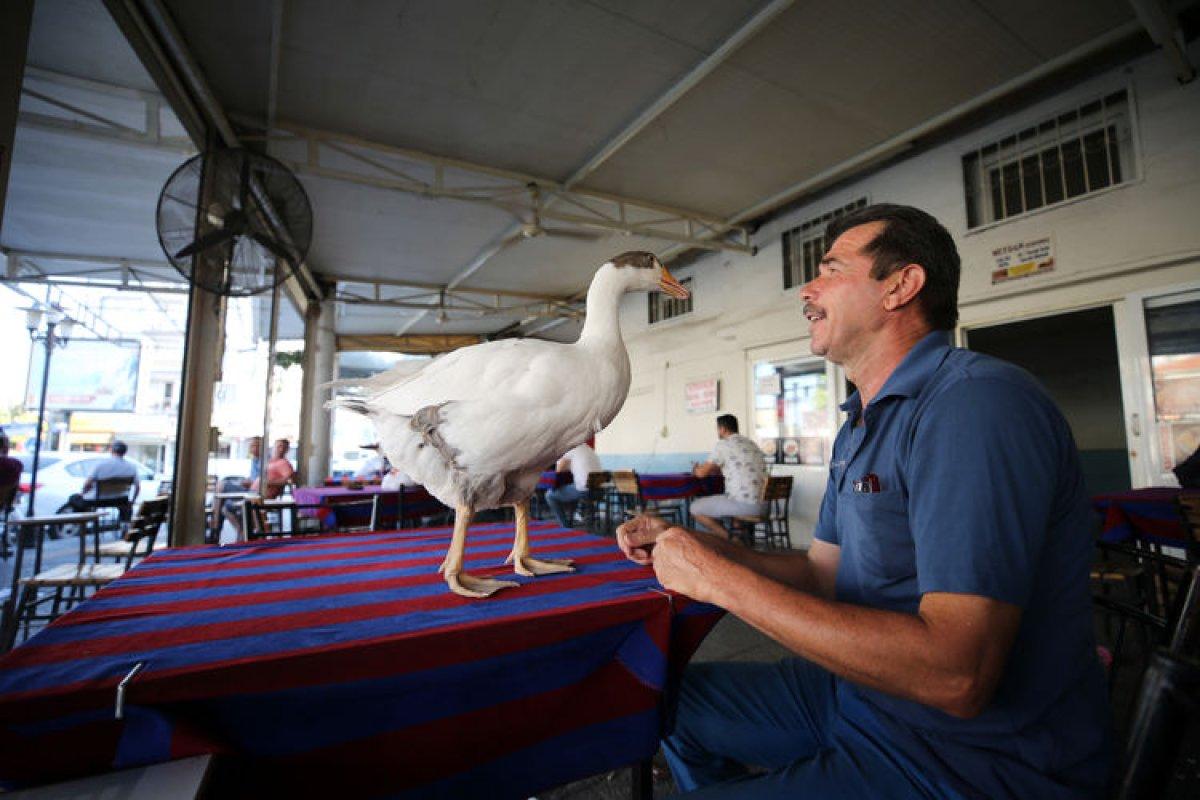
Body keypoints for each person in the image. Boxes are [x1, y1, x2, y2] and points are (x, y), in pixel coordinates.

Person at [617, 204, 1111, 798]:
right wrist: (706, 552)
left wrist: (719, 584)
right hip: (857, 698)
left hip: (966, 758)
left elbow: (958, 675)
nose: (809, 287)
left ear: (901, 286)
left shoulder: (973, 406)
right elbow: (820, 573)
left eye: (831, 269)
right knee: (653, 701)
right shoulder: (860, 422)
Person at [689, 414, 767, 538]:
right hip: (764, 505)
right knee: (731, 501)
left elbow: (701, 473)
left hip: (744, 505)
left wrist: (695, 469)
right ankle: (740, 541)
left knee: (694, 508)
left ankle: (731, 539)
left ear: (723, 429)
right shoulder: (752, 444)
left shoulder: (723, 445)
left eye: (717, 428)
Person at [545, 443, 602, 528]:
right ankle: (575, 515)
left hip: (584, 490)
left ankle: (565, 525)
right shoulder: (588, 449)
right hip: (600, 491)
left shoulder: (569, 448)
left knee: (549, 495)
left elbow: (559, 470)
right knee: (573, 487)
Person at [222, 436, 263, 537]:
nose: (252, 448)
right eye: (251, 446)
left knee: (221, 485)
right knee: (226, 506)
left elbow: (260, 480)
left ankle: (215, 523)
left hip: (254, 493)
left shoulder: (264, 461)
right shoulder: (255, 460)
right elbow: (254, 478)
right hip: (250, 490)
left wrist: (251, 482)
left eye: (255, 445)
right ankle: (241, 531)